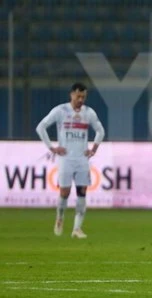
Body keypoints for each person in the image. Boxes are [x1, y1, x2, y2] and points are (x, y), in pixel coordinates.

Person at [35, 82, 105, 239]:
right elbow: (41, 127)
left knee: (82, 193)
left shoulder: (89, 113)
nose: (81, 99)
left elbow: (100, 131)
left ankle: (77, 229)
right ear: (72, 94)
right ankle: (60, 217)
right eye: (78, 96)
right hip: (66, 159)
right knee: (64, 193)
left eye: (84, 97)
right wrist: (51, 147)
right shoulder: (61, 111)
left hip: (82, 159)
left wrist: (94, 149)